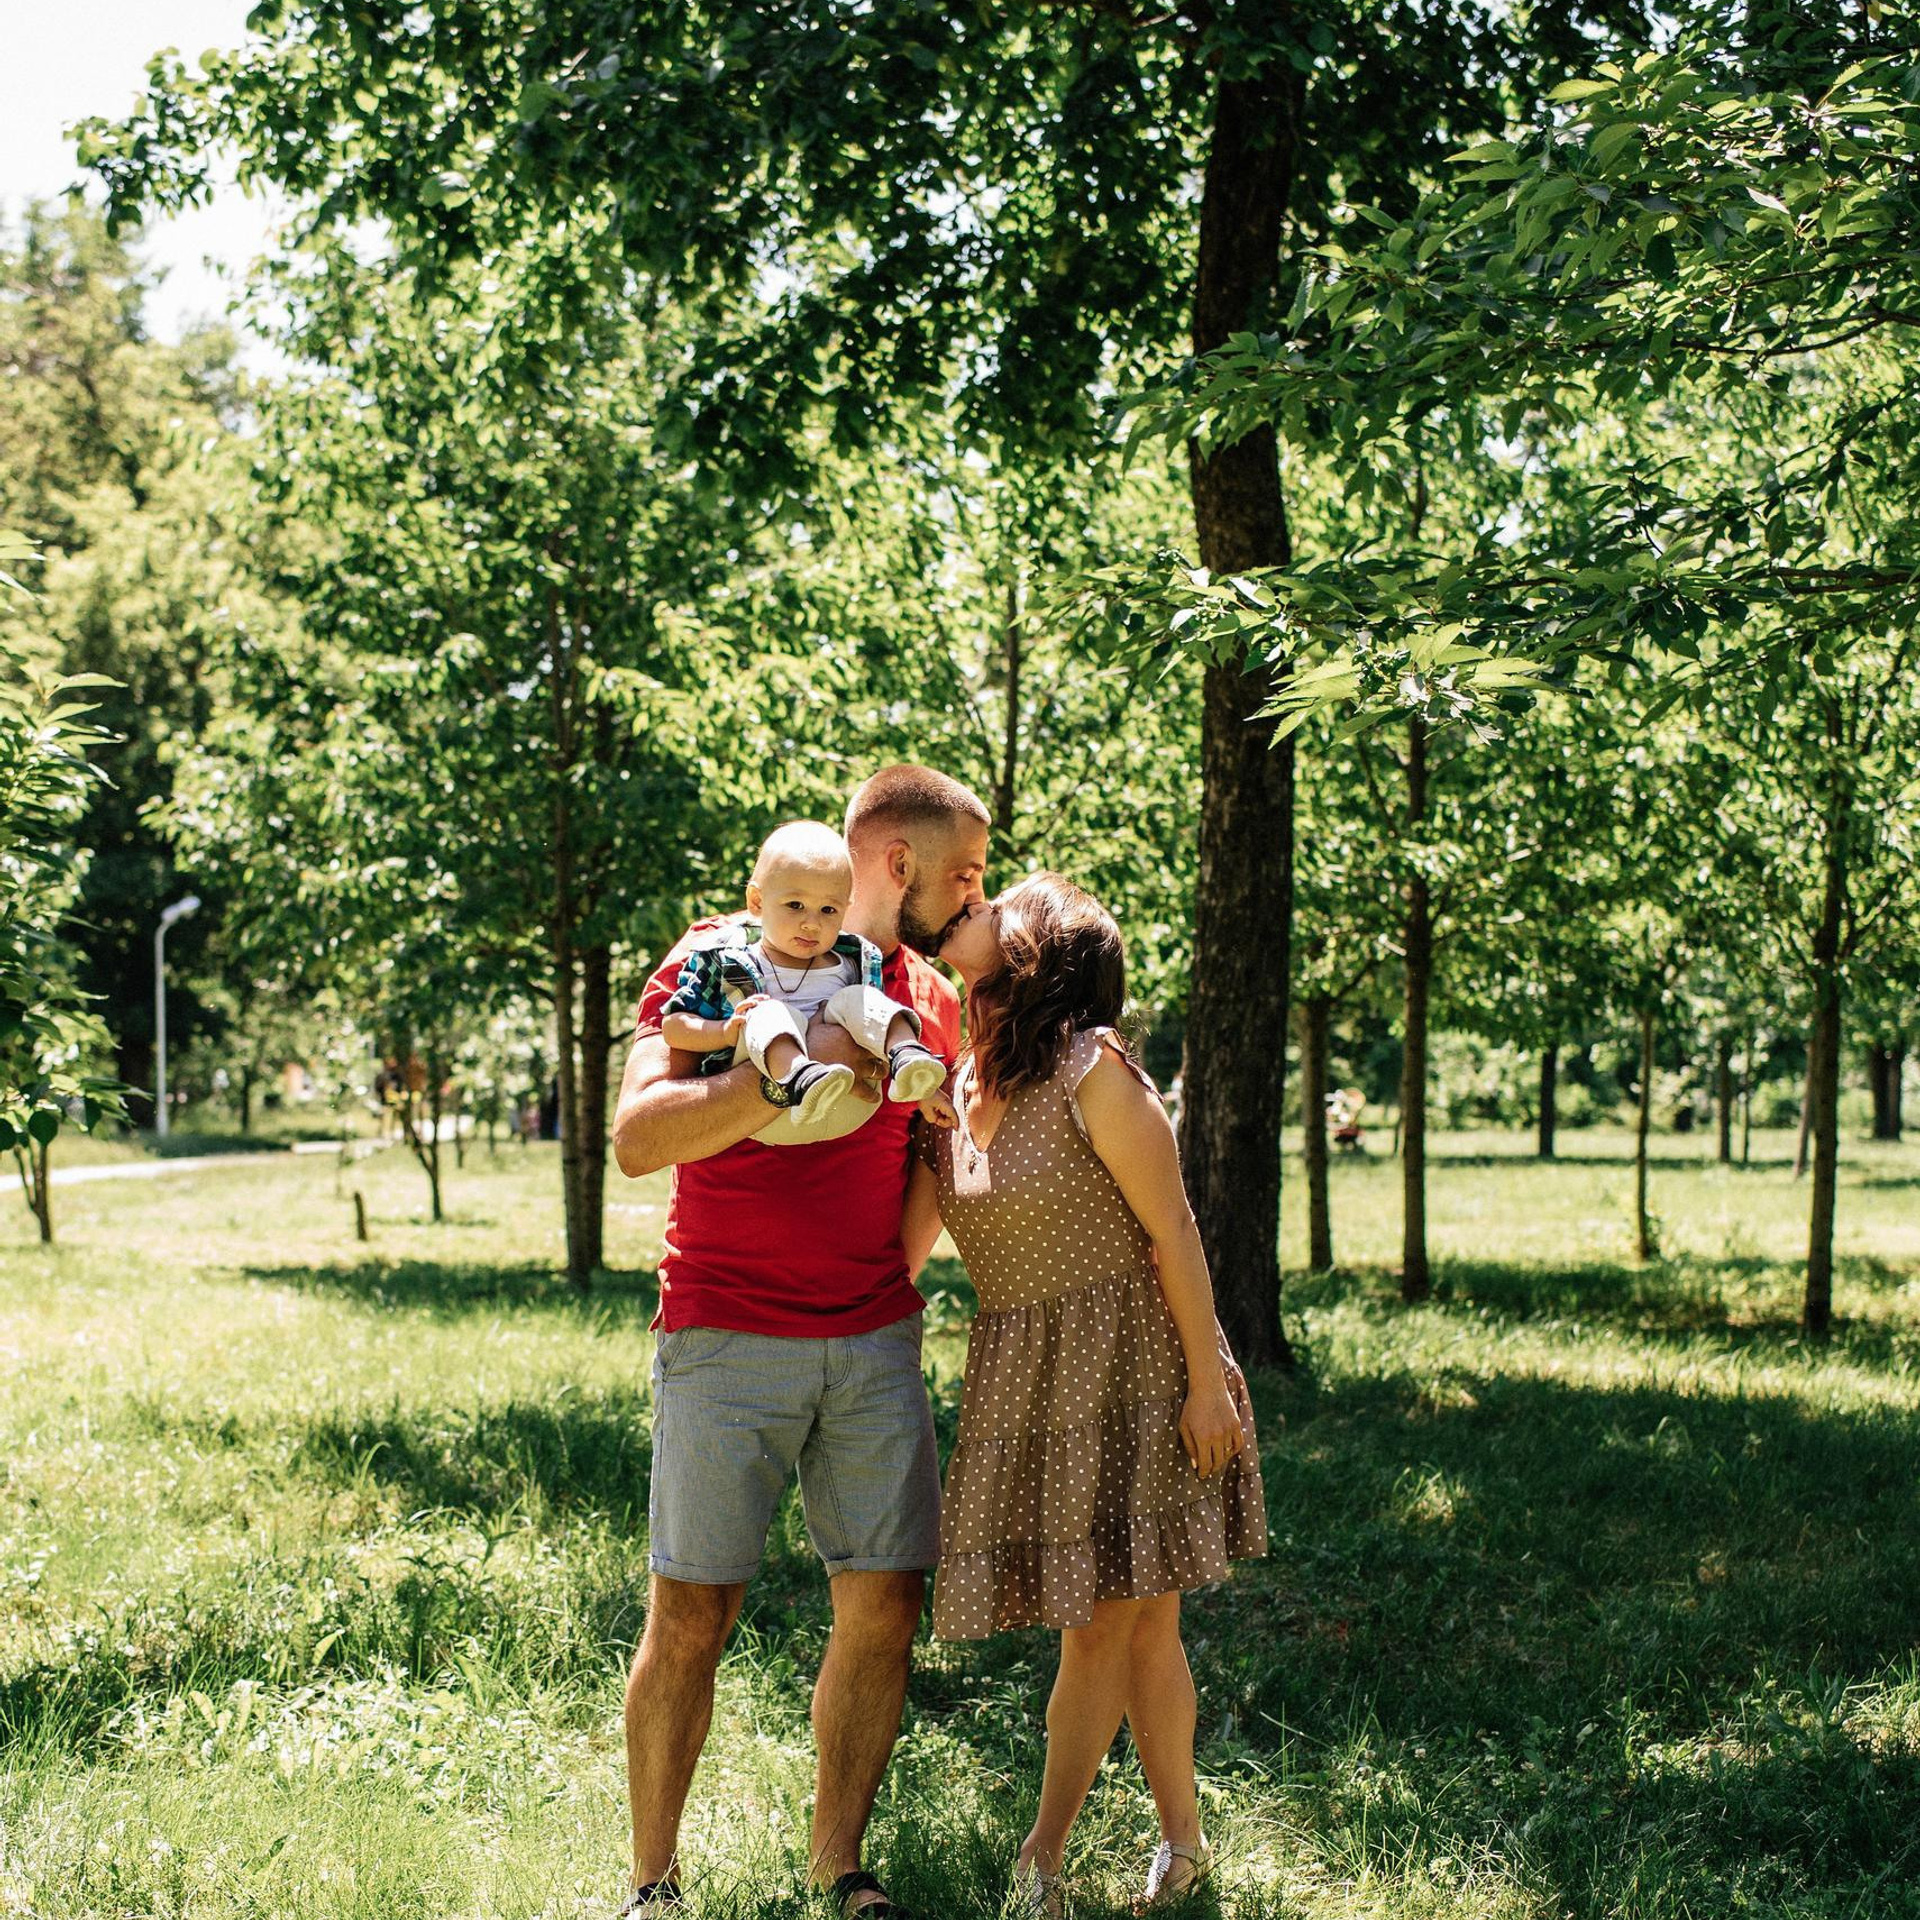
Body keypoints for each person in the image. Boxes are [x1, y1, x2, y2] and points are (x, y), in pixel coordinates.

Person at [609, 765, 991, 1919]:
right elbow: (636, 1138)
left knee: (884, 1603)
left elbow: (939, 1160)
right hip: (724, 1331)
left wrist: (899, 1270)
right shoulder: (717, 957)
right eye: (963, 872)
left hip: (873, 1344)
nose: (975, 893)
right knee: (693, 1613)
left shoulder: (924, 995)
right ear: (900, 865)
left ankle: (838, 1865)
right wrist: (791, 1076)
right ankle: (652, 1883)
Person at [903, 873, 1267, 1916]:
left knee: (1107, 1626)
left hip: (1141, 1365)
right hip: (1029, 1375)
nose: (976, 907)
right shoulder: (951, 1089)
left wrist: (1208, 1385)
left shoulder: (1091, 1068)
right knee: (1145, 1626)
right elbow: (905, 1250)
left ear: (1043, 954)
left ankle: (1039, 1862)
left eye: (1002, 905)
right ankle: (1184, 1849)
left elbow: (1176, 1231)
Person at [660, 819, 955, 1135]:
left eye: (828, 910)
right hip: (774, 1105)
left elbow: (872, 1026)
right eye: (795, 905)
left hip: (849, 1103)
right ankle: (800, 1074)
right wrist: (726, 1032)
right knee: (767, 1011)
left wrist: (925, 1094)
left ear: (846, 909)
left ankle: (908, 1058)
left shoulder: (854, 961)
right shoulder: (726, 959)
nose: (811, 923)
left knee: (861, 999)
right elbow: (674, 1027)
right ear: (757, 902)